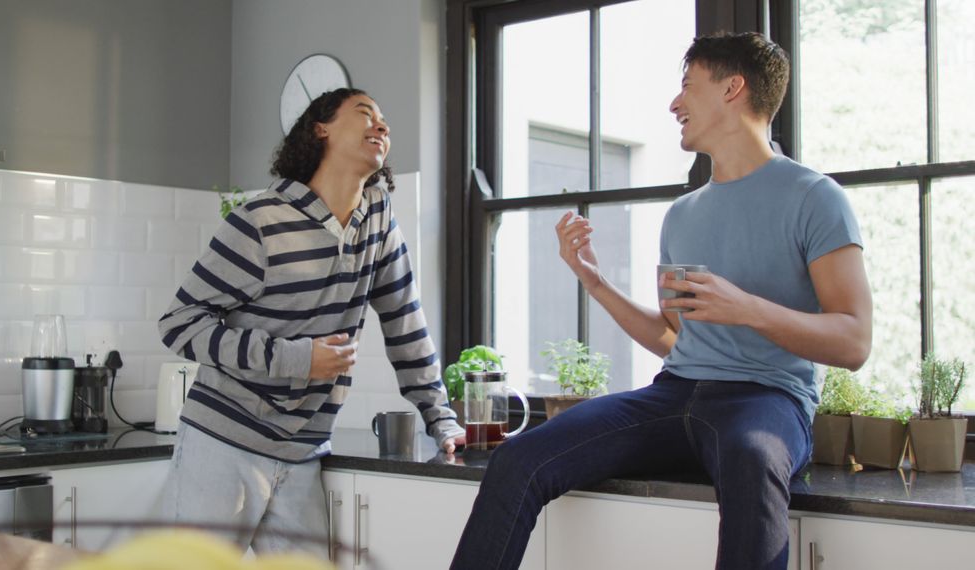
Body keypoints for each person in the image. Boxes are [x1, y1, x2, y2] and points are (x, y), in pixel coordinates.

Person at [450, 31, 872, 570]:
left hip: (767, 399)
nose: (675, 104)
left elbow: (854, 341)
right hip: (674, 396)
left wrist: (745, 308)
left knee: (752, 455)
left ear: (732, 89)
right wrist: (594, 281)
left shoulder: (816, 198)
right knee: (519, 458)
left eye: (687, 87)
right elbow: (672, 336)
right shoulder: (684, 213)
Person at [157, 87, 466, 556]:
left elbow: (406, 326)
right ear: (320, 129)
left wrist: (441, 420)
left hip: (303, 452)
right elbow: (179, 322)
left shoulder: (378, 220)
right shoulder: (260, 221)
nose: (381, 126)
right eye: (365, 114)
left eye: (384, 121)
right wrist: (298, 360)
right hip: (224, 441)